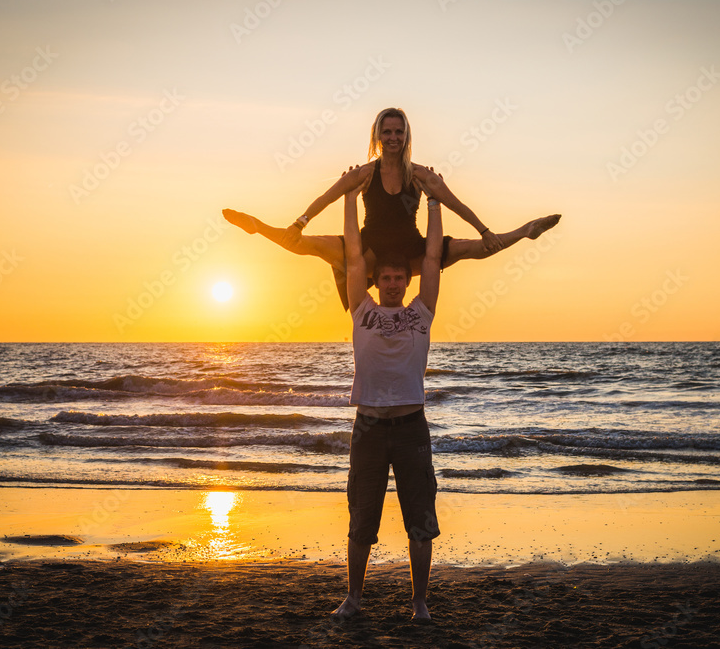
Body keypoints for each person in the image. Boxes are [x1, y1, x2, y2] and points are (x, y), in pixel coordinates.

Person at [222, 107, 561, 308]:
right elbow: (327, 196)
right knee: (296, 243)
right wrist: (300, 222)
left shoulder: (422, 176)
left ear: (407, 136)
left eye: (399, 132)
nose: (393, 137)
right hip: (369, 248)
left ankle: (526, 231)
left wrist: (484, 231)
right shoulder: (364, 174)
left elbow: (457, 205)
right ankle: (256, 225)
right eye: (387, 132)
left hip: (411, 247)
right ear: (378, 136)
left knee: (479, 249)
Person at [332, 180, 442, 621]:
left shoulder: (421, 312)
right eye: (387, 278)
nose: (393, 284)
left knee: (420, 519)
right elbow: (354, 254)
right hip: (370, 428)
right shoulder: (361, 310)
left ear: (407, 281)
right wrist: (348, 198)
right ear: (376, 282)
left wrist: (435, 201)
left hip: (412, 427)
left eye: (400, 278)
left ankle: (419, 603)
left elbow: (433, 256)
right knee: (362, 519)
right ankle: (353, 600)